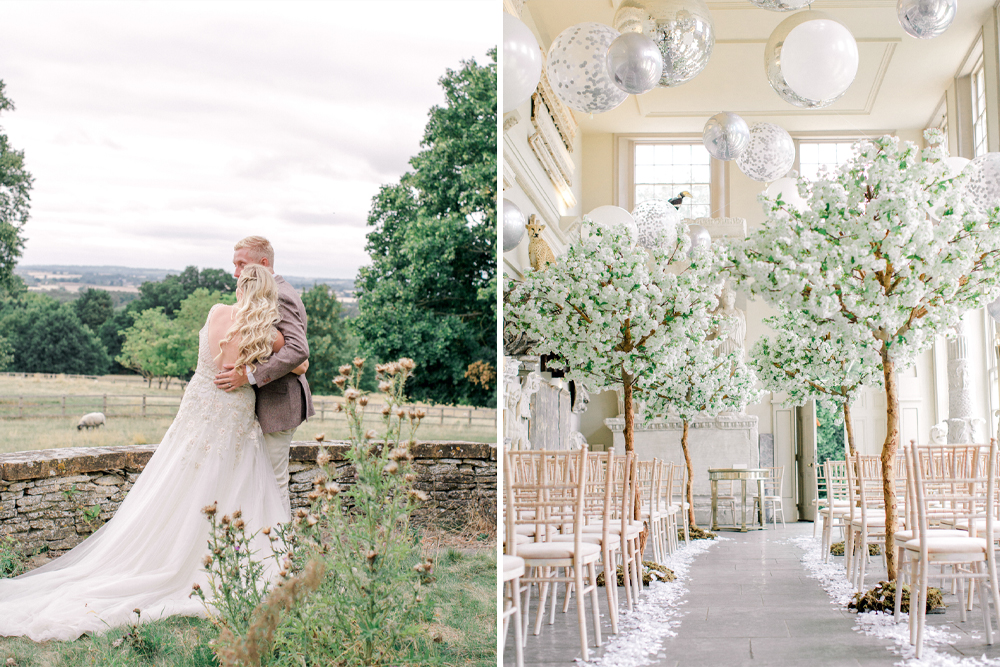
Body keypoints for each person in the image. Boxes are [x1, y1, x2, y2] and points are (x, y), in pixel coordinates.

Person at [0, 265, 303, 642]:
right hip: (235, 409)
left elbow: (212, 361)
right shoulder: (268, 333)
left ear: (240, 287)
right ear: (268, 296)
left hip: (199, 406)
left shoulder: (215, 312)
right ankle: (214, 558)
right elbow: (301, 362)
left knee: (181, 478)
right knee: (228, 483)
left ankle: (167, 552)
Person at [214, 236, 315, 513]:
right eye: (234, 265)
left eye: (241, 264)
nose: (236, 272)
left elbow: (298, 350)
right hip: (266, 402)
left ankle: (282, 540)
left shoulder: (280, 294)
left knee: (274, 481)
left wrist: (249, 375)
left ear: (263, 263)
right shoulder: (263, 292)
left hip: (279, 403)